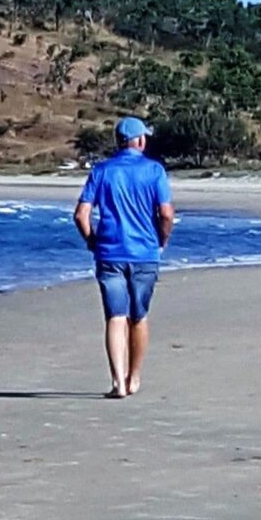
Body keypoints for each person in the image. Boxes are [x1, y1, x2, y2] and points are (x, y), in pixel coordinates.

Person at [74, 117, 176, 399]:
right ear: (140, 140)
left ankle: (118, 381)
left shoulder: (102, 171)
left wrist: (92, 241)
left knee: (115, 317)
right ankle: (134, 377)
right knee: (138, 317)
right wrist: (162, 241)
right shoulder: (154, 171)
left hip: (109, 252)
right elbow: (166, 214)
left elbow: (81, 214)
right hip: (144, 252)